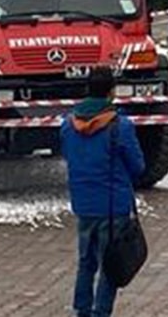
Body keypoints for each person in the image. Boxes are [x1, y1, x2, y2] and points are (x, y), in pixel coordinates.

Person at [61, 67, 146, 317]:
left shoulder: (67, 125)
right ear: (112, 91)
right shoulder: (120, 126)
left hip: (84, 205)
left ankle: (81, 310)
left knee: (86, 263)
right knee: (110, 265)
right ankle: (101, 313)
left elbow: (69, 156)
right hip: (113, 207)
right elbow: (138, 166)